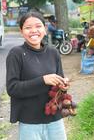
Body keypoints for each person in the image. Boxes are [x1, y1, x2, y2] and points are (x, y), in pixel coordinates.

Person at [6, 11, 69, 140]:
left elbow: (60, 88)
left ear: (45, 29)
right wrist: (43, 80)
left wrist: (63, 85)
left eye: (38, 26)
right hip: (30, 122)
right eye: (28, 28)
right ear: (21, 31)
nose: (34, 31)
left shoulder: (53, 52)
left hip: (54, 119)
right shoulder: (16, 54)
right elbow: (12, 88)